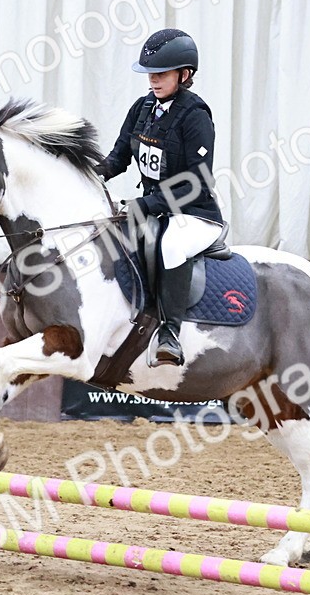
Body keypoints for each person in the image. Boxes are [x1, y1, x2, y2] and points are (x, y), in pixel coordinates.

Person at [96, 28, 224, 366]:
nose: (153, 81)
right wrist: (92, 174)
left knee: (170, 245)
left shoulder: (196, 116)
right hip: (155, 210)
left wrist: (146, 205)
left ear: (184, 75)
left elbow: (197, 182)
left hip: (196, 214)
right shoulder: (142, 108)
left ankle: (169, 333)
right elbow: (119, 156)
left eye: (161, 74)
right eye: (150, 74)